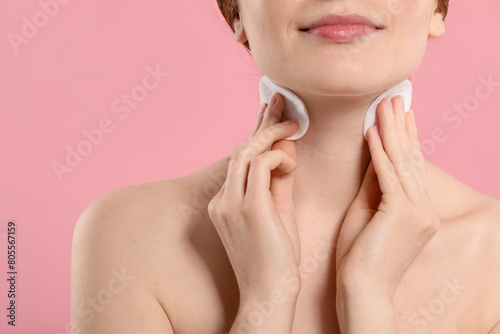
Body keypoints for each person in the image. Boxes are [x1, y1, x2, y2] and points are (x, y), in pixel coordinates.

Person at [71, 0, 500, 333]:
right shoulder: (129, 236)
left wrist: (369, 304)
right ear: (237, 12)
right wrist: (264, 304)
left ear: (437, 9)